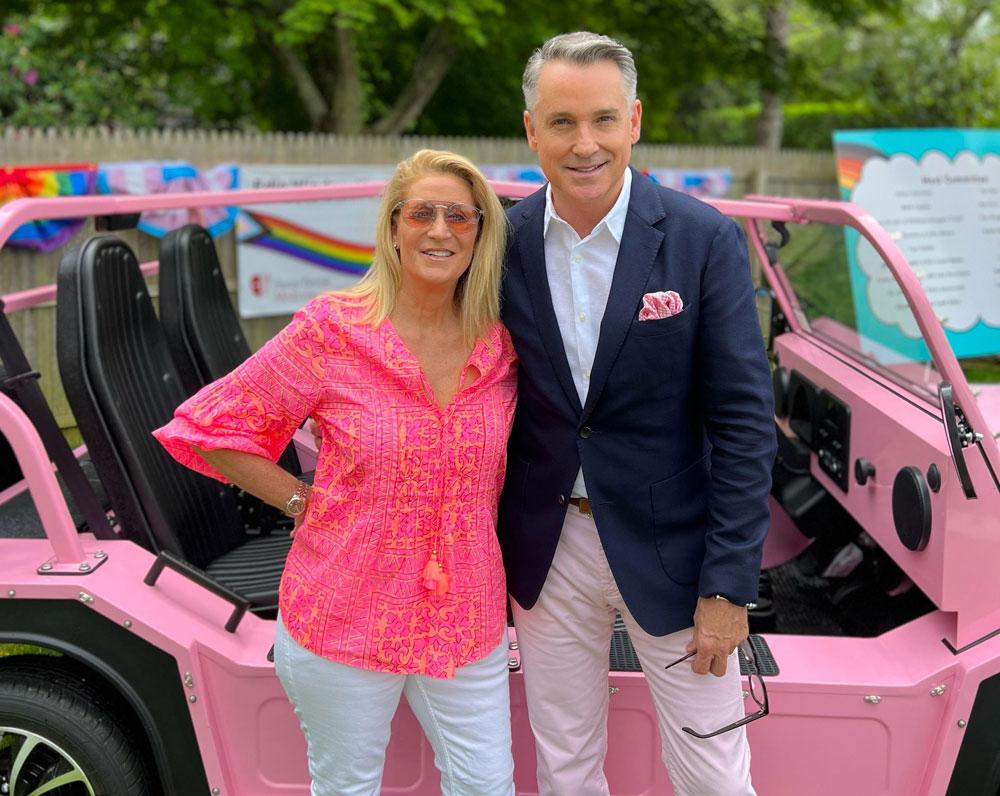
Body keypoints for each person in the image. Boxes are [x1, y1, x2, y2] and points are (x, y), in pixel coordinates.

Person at [154, 149, 517, 796]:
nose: (440, 230)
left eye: (460, 216)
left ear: (479, 234)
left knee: (488, 786)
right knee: (347, 787)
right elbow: (211, 427)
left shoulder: (503, 342)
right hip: (346, 607)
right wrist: (301, 500)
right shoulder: (333, 331)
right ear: (394, 227)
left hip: (465, 613)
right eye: (422, 213)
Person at [498, 32, 777, 795]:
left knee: (714, 775)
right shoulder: (502, 242)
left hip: (678, 552)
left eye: (602, 119)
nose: (584, 143)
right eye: (562, 122)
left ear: (634, 121)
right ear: (531, 130)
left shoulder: (702, 238)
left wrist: (729, 584)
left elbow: (745, 423)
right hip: (548, 548)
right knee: (565, 769)